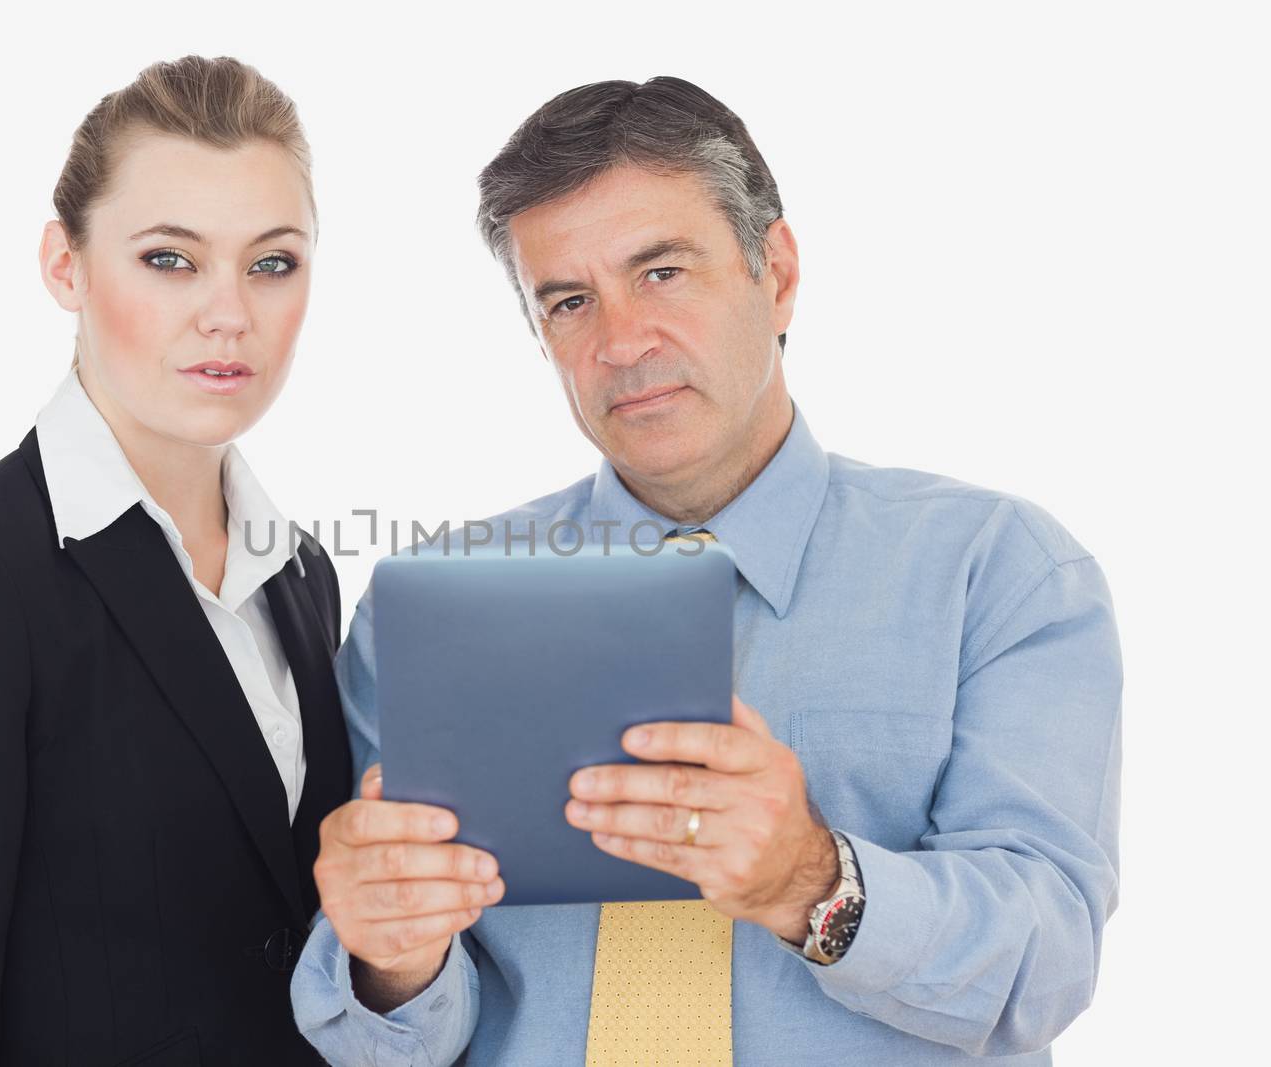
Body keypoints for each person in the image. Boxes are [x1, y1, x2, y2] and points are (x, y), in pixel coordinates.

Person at [291, 77, 1121, 1064]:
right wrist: (393, 957)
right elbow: (382, 1030)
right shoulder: (423, 610)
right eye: (568, 300)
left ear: (774, 270)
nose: (622, 342)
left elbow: (1049, 965)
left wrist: (811, 880)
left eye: (663, 271)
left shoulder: (1000, 571)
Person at [0, 56, 350, 1065]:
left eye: (271, 262)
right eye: (169, 258)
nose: (229, 313)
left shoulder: (300, 575)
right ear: (65, 265)